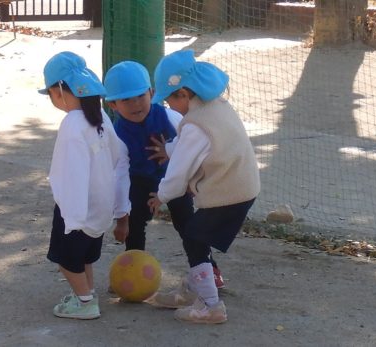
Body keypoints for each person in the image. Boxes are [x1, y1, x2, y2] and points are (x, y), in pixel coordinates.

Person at [147, 49, 260, 324]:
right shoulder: (216, 106)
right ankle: (197, 287)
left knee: (195, 237)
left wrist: (161, 196)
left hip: (227, 191)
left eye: (169, 100)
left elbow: (178, 173)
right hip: (243, 185)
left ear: (183, 94)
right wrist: (171, 149)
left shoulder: (196, 125)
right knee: (197, 235)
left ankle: (210, 304)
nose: (169, 107)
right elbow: (197, 147)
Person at [103, 60, 226, 289]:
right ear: (112, 105)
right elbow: (119, 176)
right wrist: (121, 218)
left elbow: (193, 150)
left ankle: (209, 271)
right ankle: (130, 273)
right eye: (126, 99)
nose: (135, 104)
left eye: (140, 95)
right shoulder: (117, 135)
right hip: (138, 181)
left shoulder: (172, 118)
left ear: (152, 92)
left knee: (189, 226)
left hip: (174, 179)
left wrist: (191, 180)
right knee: (135, 226)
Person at [39, 51, 131, 320]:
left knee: (66, 261)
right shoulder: (99, 116)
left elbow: (71, 172)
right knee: (85, 257)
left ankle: (85, 302)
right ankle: (88, 292)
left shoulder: (72, 124)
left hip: (77, 209)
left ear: (59, 91)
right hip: (100, 207)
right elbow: (119, 154)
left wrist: (72, 215)